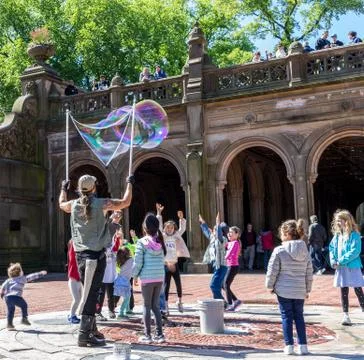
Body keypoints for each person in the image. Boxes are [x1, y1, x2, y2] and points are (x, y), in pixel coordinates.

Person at [59, 174, 133, 347]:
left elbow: (62, 204)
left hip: (81, 256)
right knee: (91, 295)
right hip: (96, 256)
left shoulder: (74, 204)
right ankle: (84, 336)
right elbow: (125, 202)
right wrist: (129, 183)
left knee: (90, 291)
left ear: (79, 188)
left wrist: (63, 188)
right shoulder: (101, 203)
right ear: (94, 188)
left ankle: (91, 328)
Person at [266, 219, 313, 356]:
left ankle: (289, 346)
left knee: (286, 317)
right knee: (299, 316)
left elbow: (272, 270)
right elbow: (308, 272)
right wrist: (307, 289)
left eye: (281, 233)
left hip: (283, 290)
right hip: (299, 290)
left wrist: (269, 285)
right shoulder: (305, 250)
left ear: (287, 233)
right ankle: (303, 346)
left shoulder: (279, 250)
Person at [133, 213, 166, 344]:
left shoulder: (141, 242)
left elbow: (138, 262)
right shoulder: (160, 241)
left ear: (145, 227)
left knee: (146, 306)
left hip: (147, 278)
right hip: (159, 278)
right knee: (156, 306)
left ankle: (148, 335)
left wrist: (134, 276)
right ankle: (160, 334)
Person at [329, 209, 364, 326]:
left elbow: (355, 251)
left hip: (352, 267)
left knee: (358, 290)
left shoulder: (355, 235)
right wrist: (333, 260)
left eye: (340, 221)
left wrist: (341, 260)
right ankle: (346, 315)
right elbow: (332, 249)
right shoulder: (337, 236)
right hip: (341, 267)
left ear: (347, 221)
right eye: (337, 221)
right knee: (343, 290)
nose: (338, 223)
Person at [156, 203, 190, 314]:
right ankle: (166, 305)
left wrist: (181, 219)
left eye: (171, 227)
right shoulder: (163, 236)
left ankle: (179, 302)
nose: (169, 229)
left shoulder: (176, 235)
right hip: (165, 264)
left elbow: (182, 229)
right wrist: (159, 213)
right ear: (165, 228)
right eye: (167, 227)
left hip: (174, 264)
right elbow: (159, 227)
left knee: (178, 284)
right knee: (166, 286)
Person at [0, 263, 47, 330]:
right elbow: (31, 276)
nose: (22, 271)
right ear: (19, 273)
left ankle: (9, 325)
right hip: (15, 296)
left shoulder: (8, 280)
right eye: (21, 270)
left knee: (10, 310)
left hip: (7, 298)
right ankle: (24, 319)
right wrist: (41, 273)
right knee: (24, 305)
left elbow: (3, 287)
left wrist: (1, 294)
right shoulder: (22, 278)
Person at [200, 212, 228, 303]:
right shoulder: (213, 238)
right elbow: (207, 232)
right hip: (217, 266)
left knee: (213, 285)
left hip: (222, 266)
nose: (213, 230)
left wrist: (218, 223)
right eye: (214, 229)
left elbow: (219, 234)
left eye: (215, 229)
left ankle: (221, 302)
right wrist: (203, 222)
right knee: (218, 285)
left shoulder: (222, 239)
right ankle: (222, 303)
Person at [95, 228, 121, 320]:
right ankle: (98, 312)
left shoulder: (112, 245)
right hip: (102, 275)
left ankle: (111, 310)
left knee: (111, 295)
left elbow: (116, 246)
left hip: (111, 275)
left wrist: (117, 238)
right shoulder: (100, 247)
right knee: (100, 295)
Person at [224, 226, 242, 311]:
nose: (229, 233)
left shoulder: (235, 243)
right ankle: (236, 301)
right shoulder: (229, 242)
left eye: (231, 232)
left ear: (237, 234)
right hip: (229, 266)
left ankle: (230, 304)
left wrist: (224, 257)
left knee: (226, 284)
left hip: (233, 266)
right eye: (229, 232)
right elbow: (223, 245)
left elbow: (229, 253)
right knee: (224, 285)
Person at [114, 246, 133, 318]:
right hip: (125, 281)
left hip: (119, 280)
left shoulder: (121, 261)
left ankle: (127, 309)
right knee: (127, 297)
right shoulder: (130, 260)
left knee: (127, 296)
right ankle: (121, 313)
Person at [67, 239, 82, 324]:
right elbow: (73, 255)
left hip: (79, 280)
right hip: (73, 280)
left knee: (80, 299)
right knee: (76, 299)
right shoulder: (73, 257)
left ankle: (72, 315)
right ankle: (71, 316)